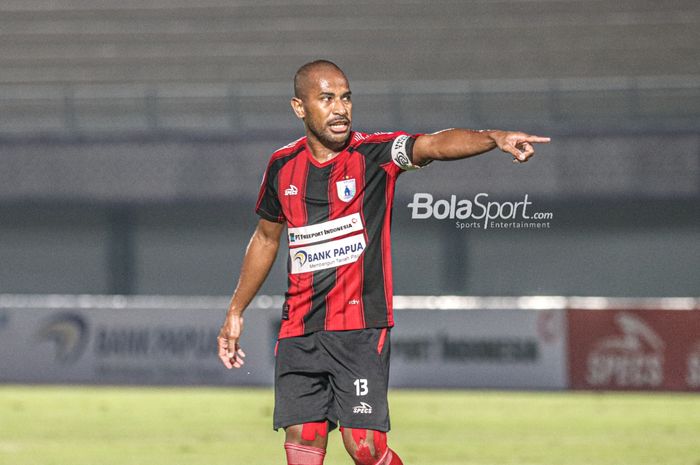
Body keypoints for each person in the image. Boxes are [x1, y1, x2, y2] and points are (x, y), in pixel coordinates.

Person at [217, 59, 550, 465]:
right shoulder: (282, 166)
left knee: (364, 447)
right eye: (326, 99)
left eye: (345, 98)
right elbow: (267, 237)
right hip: (299, 329)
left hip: (359, 328)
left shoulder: (375, 155)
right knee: (303, 443)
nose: (340, 108)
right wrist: (236, 311)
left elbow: (433, 144)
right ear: (299, 108)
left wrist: (493, 137)